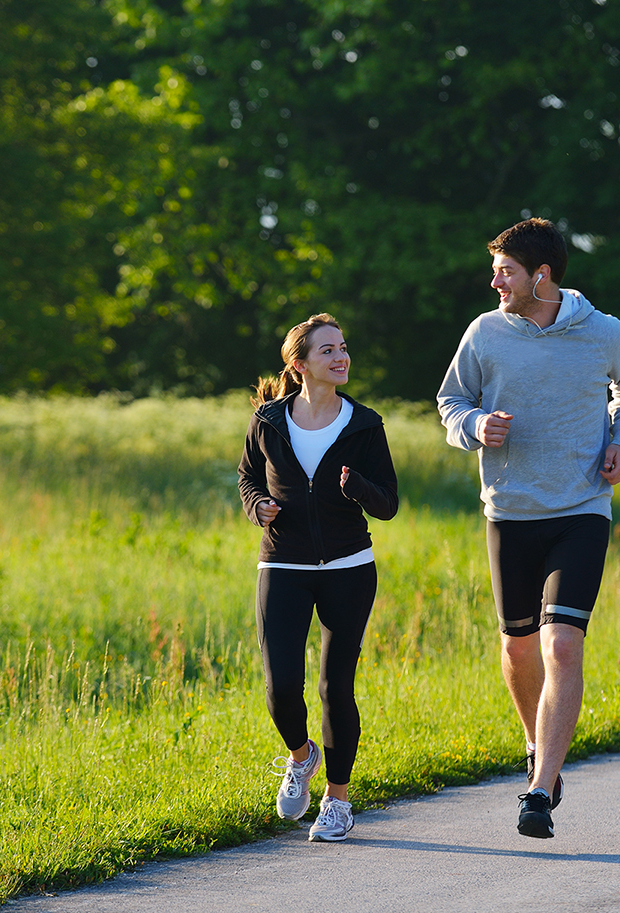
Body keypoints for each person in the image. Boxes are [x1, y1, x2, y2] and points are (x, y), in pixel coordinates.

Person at [436, 218, 620, 839]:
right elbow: (451, 401)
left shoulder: (603, 332)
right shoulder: (484, 333)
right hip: (509, 511)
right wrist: (475, 426)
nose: (495, 281)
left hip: (581, 509)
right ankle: (539, 750)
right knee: (518, 645)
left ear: (542, 275)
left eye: (505, 270)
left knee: (562, 644)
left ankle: (538, 789)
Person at [238, 313, 399, 843]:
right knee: (281, 687)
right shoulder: (267, 420)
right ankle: (300, 756)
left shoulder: (364, 424)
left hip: (348, 569)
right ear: (300, 363)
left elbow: (389, 504)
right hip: (282, 564)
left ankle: (337, 799)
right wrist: (256, 504)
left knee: (336, 688)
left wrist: (359, 491)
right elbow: (247, 477)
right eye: (327, 350)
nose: (341, 357)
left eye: (344, 348)